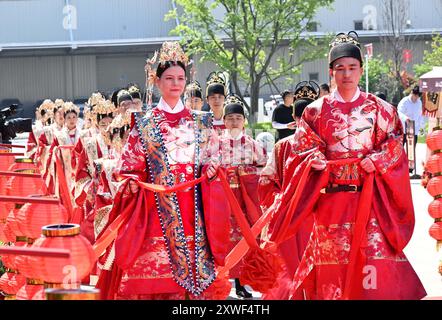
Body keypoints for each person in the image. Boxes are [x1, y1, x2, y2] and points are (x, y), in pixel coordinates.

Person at [262, 31, 426, 300]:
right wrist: (312, 162)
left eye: (352, 68)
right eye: (340, 69)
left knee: (374, 274)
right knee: (331, 277)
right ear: (331, 72)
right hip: (331, 206)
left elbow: (395, 144)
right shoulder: (315, 112)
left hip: (370, 201)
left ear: (361, 70)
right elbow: (302, 149)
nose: (346, 74)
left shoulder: (380, 110)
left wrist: (379, 160)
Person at [95, 41, 231, 300]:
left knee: (194, 290)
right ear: (156, 82)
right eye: (169, 78)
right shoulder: (144, 123)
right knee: (156, 286)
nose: (176, 83)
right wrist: (133, 181)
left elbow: (214, 156)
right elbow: (128, 166)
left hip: (194, 214)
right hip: (155, 214)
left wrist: (213, 168)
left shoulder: (201, 121)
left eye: (180, 78)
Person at [259, 80, 319, 300]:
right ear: (293, 119)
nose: (304, 122)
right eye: (299, 116)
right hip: (290, 218)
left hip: (318, 216)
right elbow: (266, 182)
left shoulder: (327, 145)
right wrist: (282, 200)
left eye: (309, 116)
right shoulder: (282, 147)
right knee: (289, 272)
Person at [218, 94, 267, 299]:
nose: (234, 121)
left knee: (245, 237)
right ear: (224, 121)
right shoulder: (215, 144)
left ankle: (242, 282)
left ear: (244, 120)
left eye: (238, 117)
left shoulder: (254, 145)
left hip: (245, 200)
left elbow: (263, 170)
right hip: (223, 199)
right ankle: (221, 281)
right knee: (223, 237)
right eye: (230, 118)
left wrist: (243, 172)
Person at [398, 85, 427, 156]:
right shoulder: (405, 101)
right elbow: (399, 112)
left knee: (411, 150)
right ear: (412, 93)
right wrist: (405, 118)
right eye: (415, 96)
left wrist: (422, 127)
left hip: (414, 129)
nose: (416, 98)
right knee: (400, 149)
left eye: (418, 97)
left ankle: (410, 166)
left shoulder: (419, 102)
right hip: (404, 129)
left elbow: (420, 115)